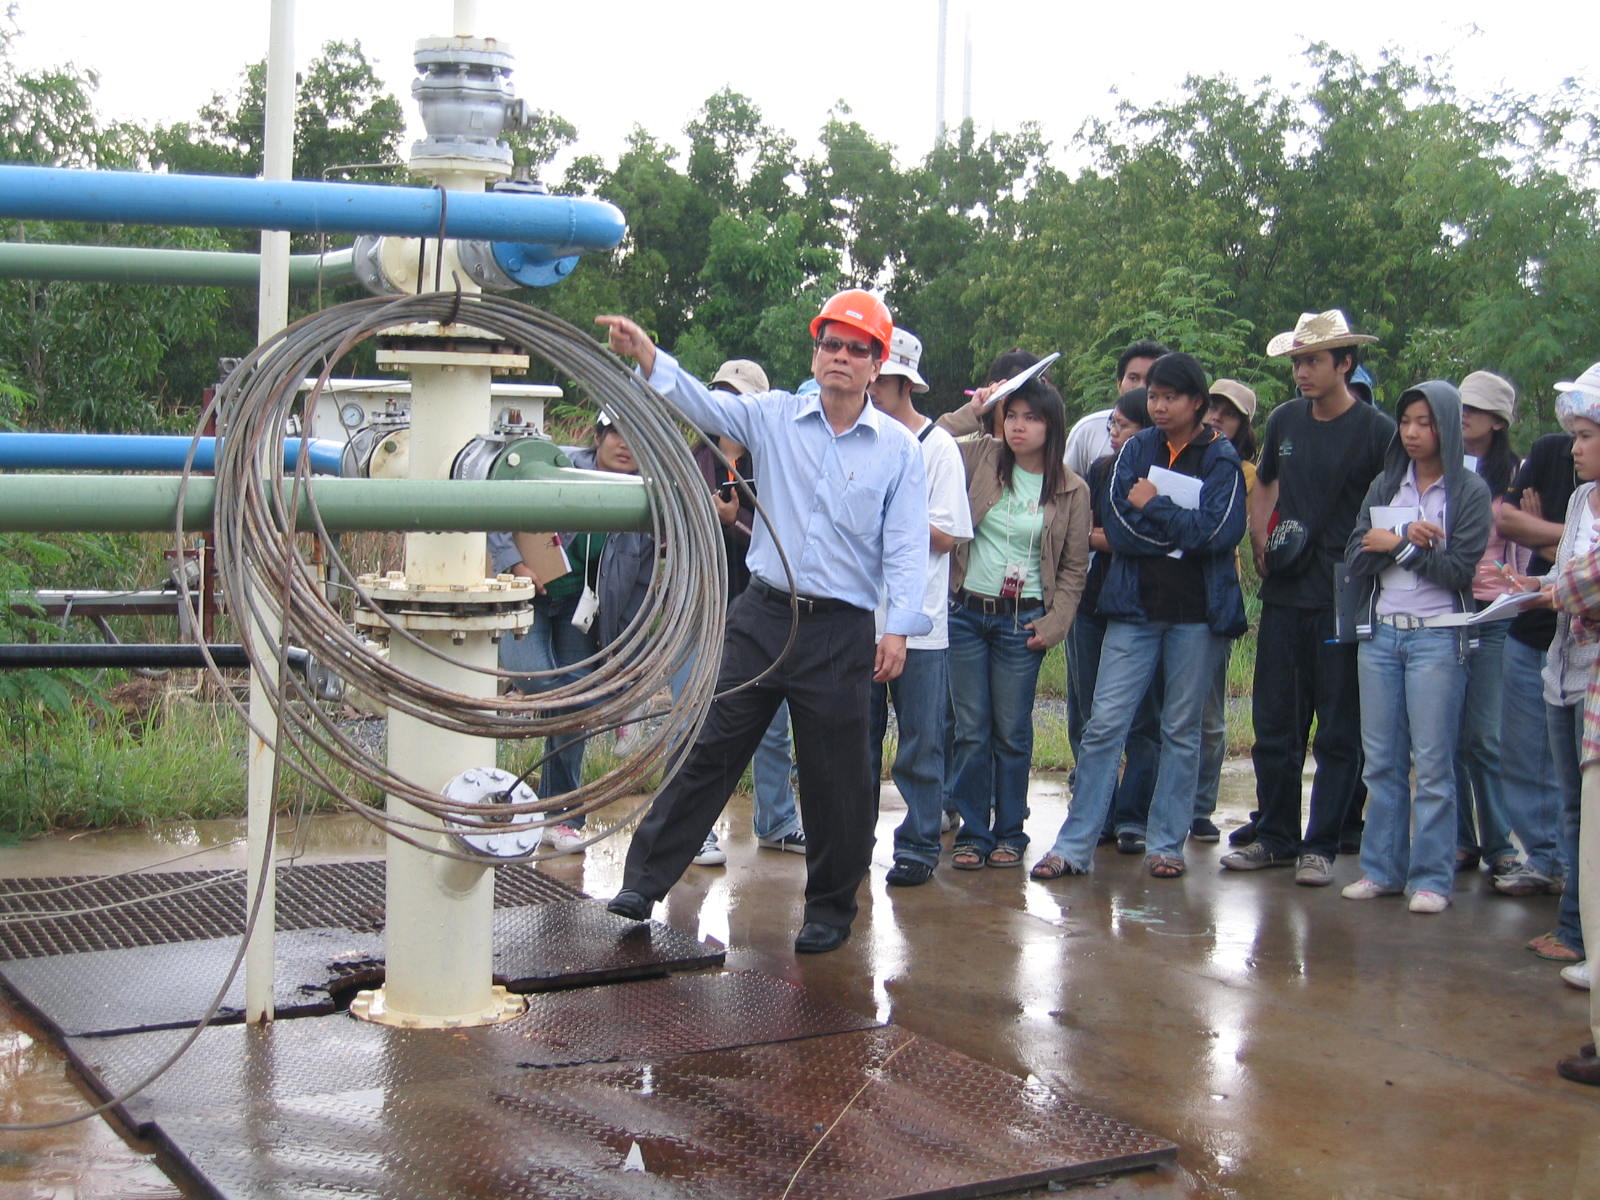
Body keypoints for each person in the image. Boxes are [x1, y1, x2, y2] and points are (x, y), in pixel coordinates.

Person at [596, 291, 931, 955]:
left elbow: (905, 544)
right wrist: (650, 356)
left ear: (876, 365)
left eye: (855, 349)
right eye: (830, 344)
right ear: (816, 353)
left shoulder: (898, 450)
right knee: (710, 746)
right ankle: (642, 883)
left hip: (840, 629)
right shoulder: (775, 416)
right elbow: (705, 406)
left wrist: (898, 628)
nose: (840, 357)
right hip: (764, 613)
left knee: (837, 778)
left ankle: (830, 911)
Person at [1032, 352, 1247, 880]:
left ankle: (1166, 845)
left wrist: (1154, 505)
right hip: (1134, 610)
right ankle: (1074, 845)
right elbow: (1119, 530)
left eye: (1170, 397)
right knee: (1105, 724)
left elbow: (1219, 532)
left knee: (1180, 730)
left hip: (1196, 616)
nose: (1159, 406)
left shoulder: (1220, 457)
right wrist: (1176, 533)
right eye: (1153, 396)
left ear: (1197, 402)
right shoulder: (1136, 448)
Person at [1222, 310, 1394, 887]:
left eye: (1313, 361)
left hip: (1343, 590)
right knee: (1275, 720)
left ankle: (1322, 844)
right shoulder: (1286, 419)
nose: (1302, 372)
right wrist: (1260, 533)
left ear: (1345, 363)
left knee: (1338, 726)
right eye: (1297, 361)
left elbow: (1391, 504)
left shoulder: (1376, 431)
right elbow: (1266, 479)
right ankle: (1275, 835)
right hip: (1285, 589)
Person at [1338, 381, 1490, 913]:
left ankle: (1431, 879)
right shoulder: (1386, 484)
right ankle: (1382, 870)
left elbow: (1459, 570)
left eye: (1425, 422)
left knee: (1432, 764)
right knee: (1381, 761)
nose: (1412, 432)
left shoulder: (1468, 491)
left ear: (1446, 426)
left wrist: (1400, 546)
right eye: (1406, 422)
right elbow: (1356, 554)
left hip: (1438, 636)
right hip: (1381, 634)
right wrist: (1399, 539)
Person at [937, 373, 1090, 869]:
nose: (1018, 426)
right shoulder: (982, 456)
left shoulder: (1071, 489)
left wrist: (1055, 624)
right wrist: (976, 409)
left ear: (1052, 425)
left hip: (1021, 622)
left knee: (1011, 732)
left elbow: (1075, 567)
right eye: (1012, 416)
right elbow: (928, 441)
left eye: (1031, 418)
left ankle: (1010, 831)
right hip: (966, 614)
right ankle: (973, 832)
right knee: (971, 730)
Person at [488, 413, 643, 854]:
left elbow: (640, 582)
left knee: (571, 709)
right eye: (616, 433)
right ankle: (614, 709)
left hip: (580, 607)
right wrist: (514, 564)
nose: (624, 445)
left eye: (634, 436)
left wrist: (624, 653)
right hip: (530, 598)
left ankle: (562, 818)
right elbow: (494, 504)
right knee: (537, 678)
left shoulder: (645, 496)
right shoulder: (554, 466)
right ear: (597, 436)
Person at [686, 359, 805, 867]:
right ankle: (692, 830)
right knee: (693, 718)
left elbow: (783, 539)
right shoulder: (690, 459)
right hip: (701, 607)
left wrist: (736, 522)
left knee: (772, 722)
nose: (728, 407)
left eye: (739, 398)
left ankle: (777, 820)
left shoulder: (777, 462)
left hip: (759, 609)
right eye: (721, 395)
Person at [866, 329, 973, 886]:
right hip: (860, 616)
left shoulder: (938, 448)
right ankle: (853, 837)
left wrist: (887, 517)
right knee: (855, 740)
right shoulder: (860, 439)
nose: (872, 388)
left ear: (904, 384)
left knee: (921, 741)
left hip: (919, 622)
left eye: (881, 380)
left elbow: (948, 534)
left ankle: (919, 842)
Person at [1068, 388, 1163, 854]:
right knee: (1090, 714)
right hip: (1094, 599)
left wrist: (1117, 536)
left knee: (1145, 717)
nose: (1113, 433)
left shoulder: (1163, 478)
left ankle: (1133, 815)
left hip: (1145, 606)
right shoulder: (1102, 470)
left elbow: (1160, 538)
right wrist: (1123, 537)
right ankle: (1098, 814)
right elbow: (1083, 532)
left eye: (1123, 426)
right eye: (1112, 425)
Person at [1492, 430, 1577, 899]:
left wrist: (1542, 533)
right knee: (1524, 755)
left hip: (1583, 639)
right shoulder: (1550, 451)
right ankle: (1543, 860)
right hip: (1530, 631)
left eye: (1588, 435)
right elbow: (1507, 521)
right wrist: (1572, 540)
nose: (1578, 446)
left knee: (1577, 767)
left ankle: (1576, 868)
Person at [1453, 371, 1524, 879]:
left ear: (1498, 422)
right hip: (1448, 607)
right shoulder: (1443, 468)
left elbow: (1528, 548)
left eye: (1474, 410)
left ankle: (1500, 843)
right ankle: (1461, 840)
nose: (1464, 417)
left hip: (1496, 613)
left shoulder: (1517, 475)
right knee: (1446, 734)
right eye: (1460, 408)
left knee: (1483, 735)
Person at [1192, 378, 1259, 841]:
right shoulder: (1176, 453)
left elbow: (1220, 524)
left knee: (1210, 715)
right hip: (1165, 593)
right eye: (1212, 407)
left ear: (1243, 425)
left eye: (1228, 413)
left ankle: (1200, 807)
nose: (1217, 417)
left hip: (1215, 593)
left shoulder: (1246, 471)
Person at [1063, 340, 1169, 479]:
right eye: (1133, 378)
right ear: (1119, 383)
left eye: (1151, 380)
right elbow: (1065, 486)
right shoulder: (1088, 430)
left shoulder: (1176, 435)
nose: (1142, 387)